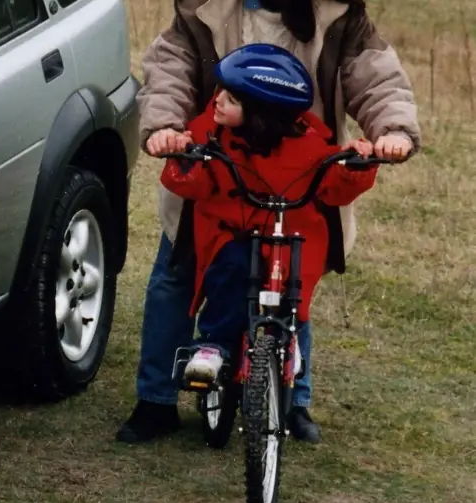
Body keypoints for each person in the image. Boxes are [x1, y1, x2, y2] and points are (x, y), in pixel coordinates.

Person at [120, 0, 419, 444]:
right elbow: (170, 68)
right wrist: (165, 126)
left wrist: (392, 131)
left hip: (294, 175)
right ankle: (156, 399)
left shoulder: (336, 12)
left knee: (291, 285)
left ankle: (291, 401)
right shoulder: (206, 0)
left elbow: (375, 77)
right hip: (215, 170)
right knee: (176, 276)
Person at [162, 47, 379, 437]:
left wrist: (357, 163)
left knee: (294, 297)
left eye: (230, 98)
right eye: (220, 93)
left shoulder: (308, 145)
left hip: (287, 237)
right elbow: (191, 181)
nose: (217, 100)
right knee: (230, 272)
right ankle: (214, 346)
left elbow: (333, 182)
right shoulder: (210, 135)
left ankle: (290, 371)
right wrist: (182, 154)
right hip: (232, 235)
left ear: (261, 112)